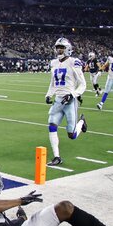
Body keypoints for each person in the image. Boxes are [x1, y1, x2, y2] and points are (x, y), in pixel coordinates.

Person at [45, 37, 88, 167]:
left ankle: (81, 123)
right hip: (58, 100)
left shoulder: (73, 62)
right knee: (52, 125)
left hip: (69, 101)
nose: (59, 50)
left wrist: (73, 94)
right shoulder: (53, 63)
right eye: (57, 47)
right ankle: (57, 157)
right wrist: (49, 94)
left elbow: (83, 84)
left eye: (61, 47)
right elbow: (53, 83)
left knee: (72, 134)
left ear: (68, 49)